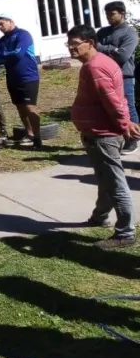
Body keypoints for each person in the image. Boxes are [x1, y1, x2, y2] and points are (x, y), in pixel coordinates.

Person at [67, 24, 140, 249]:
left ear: (90, 43)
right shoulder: (101, 62)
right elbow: (119, 98)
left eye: (75, 44)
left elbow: (113, 101)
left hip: (103, 135)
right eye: (68, 44)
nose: (70, 48)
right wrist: (125, 121)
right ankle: (99, 217)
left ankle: (126, 233)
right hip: (100, 133)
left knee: (115, 183)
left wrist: (123, 123)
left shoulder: (95, 67)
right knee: (106, 179)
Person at [0, 14, 42, 148]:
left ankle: (37, 138)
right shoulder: (1, 41)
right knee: (20, 107)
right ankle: (29, 133)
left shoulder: (23, 35)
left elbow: (19, 53)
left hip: (28, 76)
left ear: (11, 21)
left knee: (30, 106)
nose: (0, 27)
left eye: (2, 23)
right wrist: (6, 55)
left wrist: (4, 55)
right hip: (12, 77)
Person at [97, 1, 139, 155]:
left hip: (124, 75)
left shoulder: (129, 33)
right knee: (109, 107)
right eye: (107, 14)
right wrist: (111, 49)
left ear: (122, 13)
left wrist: (104, 50)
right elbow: (94, 49)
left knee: (128, 107)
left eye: (112, 14)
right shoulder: (102, 32)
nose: (109, 17)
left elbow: (122, 56)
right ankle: (114, 138)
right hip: (104, 75)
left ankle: (133, 139)